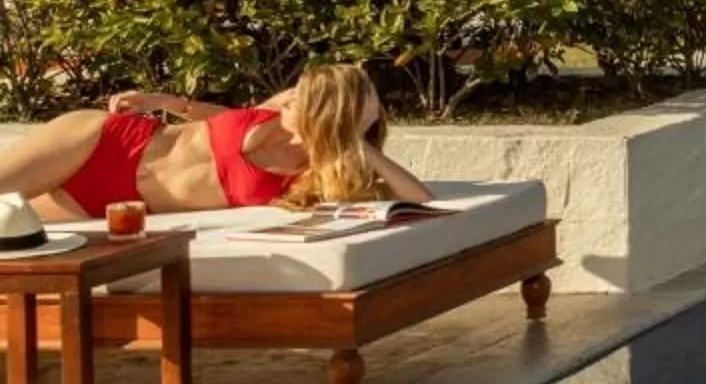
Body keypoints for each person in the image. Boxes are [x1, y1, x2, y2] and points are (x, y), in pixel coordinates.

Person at [0, 63, 433, 221]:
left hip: (114, 202)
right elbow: (224, 124)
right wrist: (167, 101)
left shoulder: (311, 174)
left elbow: (423, 201)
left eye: (303, 97)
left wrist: (358, 143)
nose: (290, 95)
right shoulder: (275, 111)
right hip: (105, 142)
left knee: (7, 226)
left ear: (324, 118)